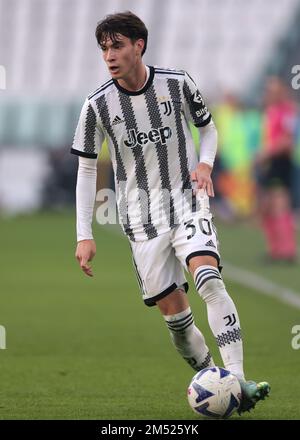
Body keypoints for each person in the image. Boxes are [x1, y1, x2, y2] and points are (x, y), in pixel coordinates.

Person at [71, 11, 270, 414]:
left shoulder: (177, 83)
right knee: (177, 325)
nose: (109, 55)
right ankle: (217, 381)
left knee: (209, 279)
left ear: (138, 45)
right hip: (140, 221)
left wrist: (205, 164)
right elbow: (87, 167)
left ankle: (238, 379)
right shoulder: (97, 105)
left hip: (186, 202)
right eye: (104, 48)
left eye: (117, 45)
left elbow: (208, 127)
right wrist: (83, 233)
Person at [255, 77, 297, 262]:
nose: (269, 94)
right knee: (267, 206)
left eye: (272, 90)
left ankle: (287, 250)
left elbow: (287, 140)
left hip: (280, 162)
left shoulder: (287, 111)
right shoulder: (270, 111)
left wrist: (266, 153)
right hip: (271, 162)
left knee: (279, 204)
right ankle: (276, 249)